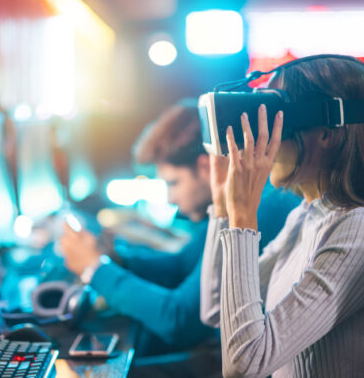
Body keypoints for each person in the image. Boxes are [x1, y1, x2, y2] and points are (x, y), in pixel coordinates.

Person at [200, 55, 364, 378]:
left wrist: (243, 214)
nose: (266, 142)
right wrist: (223, 207)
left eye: (277, 122)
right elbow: (215, 309)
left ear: (325, 133)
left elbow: (243, 365)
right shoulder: (306, 217)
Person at [59, 100, 300, 360]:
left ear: (207, 167)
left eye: (173, 183)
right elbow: (182, 265)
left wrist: (94, 269)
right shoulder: (249, 199)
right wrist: (118, 259)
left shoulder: (256, 208)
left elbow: (179, 321)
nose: (171, 199)